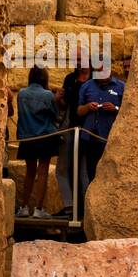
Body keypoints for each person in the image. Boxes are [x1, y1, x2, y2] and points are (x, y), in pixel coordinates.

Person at [14, 66, 61, 218]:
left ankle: (24, 207)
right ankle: (39, 209)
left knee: (30, 172)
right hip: (45, 137)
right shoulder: (48, 95)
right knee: (42, 172)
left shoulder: (21, 94)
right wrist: (57, 100)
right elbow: (55, 115)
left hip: (28, 137)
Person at [54, 54, 92, 219]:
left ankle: (86, 210)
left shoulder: (95, 78)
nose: (77, 62)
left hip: (90, 130)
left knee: (85, 170)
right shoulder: (70, 78)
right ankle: (72, 208)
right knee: (67, 168)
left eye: (80, 58)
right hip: (71, 128)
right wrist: (59, 99)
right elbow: (65, 106)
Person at [77, 57, 125, 182]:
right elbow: (79, 111)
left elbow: (129, 113)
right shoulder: (87, 86)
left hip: (112, 138)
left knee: (112, 175)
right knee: (91, 172)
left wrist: (115, 108)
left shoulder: (121, 87)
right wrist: (87, 107)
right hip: (90, 136)